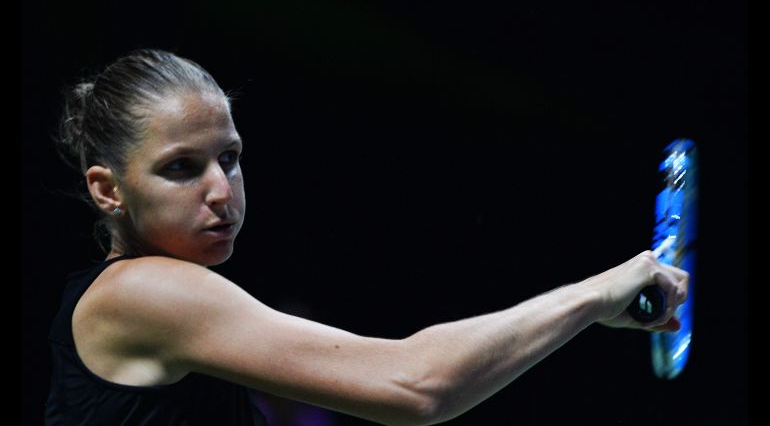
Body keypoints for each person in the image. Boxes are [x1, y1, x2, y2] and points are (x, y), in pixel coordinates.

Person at [45, 48, 689, 426]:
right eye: (182, 168)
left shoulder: (153, 307)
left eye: (231, 158)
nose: (221, 189)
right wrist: (595, 296)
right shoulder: (143, 294)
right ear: (108, 189)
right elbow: (416, 383)